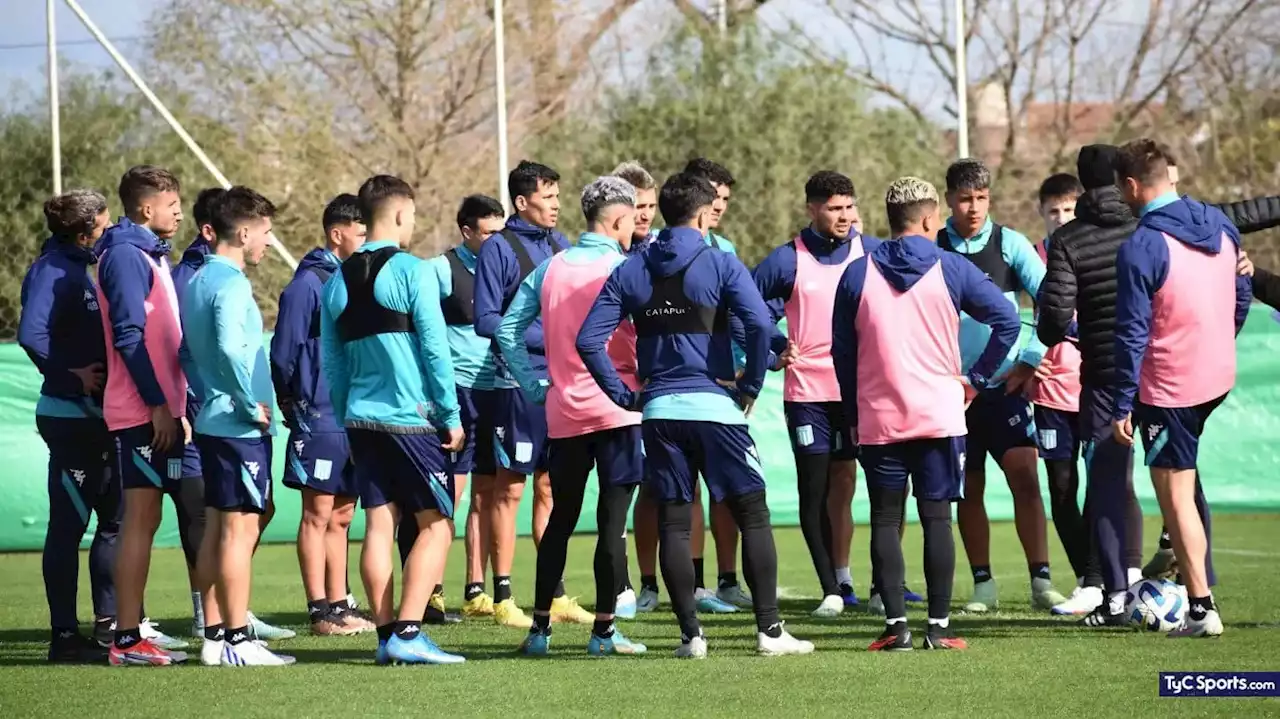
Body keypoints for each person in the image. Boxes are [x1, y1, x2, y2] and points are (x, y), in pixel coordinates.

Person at [577, 171, 813, 658]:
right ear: (705, 214)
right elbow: (757, 322)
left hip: (659, 413)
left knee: (675, 525)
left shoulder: (632, 269)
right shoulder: (721, 263)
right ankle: (769, 633)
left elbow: (587, 340)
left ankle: (691, 637)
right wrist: (750, 383)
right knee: (752, 514)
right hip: (717, 411)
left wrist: (624, 397)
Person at [833, 176, 1019, 651]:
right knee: (937, 520)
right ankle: (937, 628)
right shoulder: (952, 267)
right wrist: (977, 380)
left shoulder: (856, 273)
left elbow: (842, 354)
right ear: (932, 218)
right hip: (939, 416)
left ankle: (896, 629)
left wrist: (855, 411)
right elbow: (1009, 319)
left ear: (891, 221)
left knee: (883, 520)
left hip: (878, 419)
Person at [499, 176, 648, 656]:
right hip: (618, 411)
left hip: (564, 414)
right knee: (611, 524)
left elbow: (506, 331)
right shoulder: (626, 268)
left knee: (560, 519)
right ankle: (603, 634)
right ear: (619, 219)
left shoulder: (550, 268)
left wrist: (534, 384)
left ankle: (539, 631)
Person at [320, 174, 465, 665]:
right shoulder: (412, 270)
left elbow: (333, 364)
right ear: (401, 214)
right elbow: (435, 349)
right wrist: (450, 414)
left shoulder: (335, 280)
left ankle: (386, 639)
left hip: (361, 421)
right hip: (412, 420)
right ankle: (407, 631)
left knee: (380, 523)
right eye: (414, 215)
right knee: (438, 524)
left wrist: (346, 416)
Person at [1109, 138, 1250, 638]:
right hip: (1216, 377)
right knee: (1185, 485)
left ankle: (1200, 609)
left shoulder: (1141, 246)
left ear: (1131, 185)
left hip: (1171, 388)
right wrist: (1221, 339)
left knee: (1176, 498)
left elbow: (1130, 334)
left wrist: (1122, 401)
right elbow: (1243, 286)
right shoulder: (1220, 223)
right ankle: (1194, 590)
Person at [751, 171, 881, 617]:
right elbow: (746, 308)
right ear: (812, 209)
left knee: (860, 483)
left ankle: (862, 579)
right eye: (833, 208)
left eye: (849, 207)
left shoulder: (873, 253)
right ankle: (829, 589)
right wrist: (772, 349)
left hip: (860, 391)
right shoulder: (788, 260)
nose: (844, 216)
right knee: (815, 488)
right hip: (808, 393)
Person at [939, 158, 1066, 613]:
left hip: (1004, 389)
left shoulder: (1009, 243)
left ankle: (1041, 581)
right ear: (949, 199)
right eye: (965, 199)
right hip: (953, 394)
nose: (974, 208)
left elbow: (1054, 301)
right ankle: (983, 586)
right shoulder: (935, 248)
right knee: (967, 490)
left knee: (1025, 480)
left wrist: (1030, 359)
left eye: (981, 198)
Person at [473, 160, 593, 626]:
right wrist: (544, 337)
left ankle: (555, 593)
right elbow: (487, 318)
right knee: (511, 489)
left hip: (562, 384)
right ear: (522, 202)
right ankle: (503, 596)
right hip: (516, 383)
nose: (556, 205)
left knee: (551, 486)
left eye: (559, 196)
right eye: (547, 197)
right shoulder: (499, 248)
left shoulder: (563, 247)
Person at [174, 189, 295, 643]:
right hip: (239, 425)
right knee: (240, 530)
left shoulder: (197, 279)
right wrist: (244, 402)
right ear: (243, 233)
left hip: (214, 421)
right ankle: (237, 638)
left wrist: (211, 397)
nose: (268, 240)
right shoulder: (230, 282)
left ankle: (214, 633)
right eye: (265, 231)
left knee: (220, 527)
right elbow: (225, 347)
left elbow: (188, 352)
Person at [396, 195, 507, 624]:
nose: (497, 242)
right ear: (466, 231)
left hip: (496, 390)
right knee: (450, 496)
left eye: (502, 233)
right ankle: (432, 592)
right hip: (455, 395)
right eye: (488, 233)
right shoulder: (440, 270)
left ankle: (476, 589)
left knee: (489, 492)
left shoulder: (504, 269)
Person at [96, 166, 190, 666]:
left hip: (161, 408)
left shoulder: (148, 254)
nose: (179, 211)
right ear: (146, 207)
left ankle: (133, 633)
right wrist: (157, 403)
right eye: (172, 202)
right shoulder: (126, 256)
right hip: (140, 411)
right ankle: (126, 638)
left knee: (148, 518)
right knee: (139, 519)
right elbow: (129, 335)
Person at [19, 190, 117, 663]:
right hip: (70, 418)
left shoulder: (81, 270)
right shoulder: (53, 270)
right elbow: (30, 334)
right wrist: (69, 376)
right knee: (68, 525)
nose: (110, 229)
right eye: (105, 223)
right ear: (84, 233)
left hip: (99, 419)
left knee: (114, 520)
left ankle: (111, 625)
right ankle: (63, 637)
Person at [270, 193, 374, 636]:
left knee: (344, 515)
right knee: (317, 512)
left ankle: (340, 604)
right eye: (361, 234)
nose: (367, 242)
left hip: (354, 416)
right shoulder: (307, 285)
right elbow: (283, 354)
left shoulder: (353, 280)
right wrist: (295, 402)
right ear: (338, 234)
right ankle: (318, 611)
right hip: (320, 416)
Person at [1026, 173, 1100, 616]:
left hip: (1094, 390)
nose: (1061, 218)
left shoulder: (1094, 251)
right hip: (1050, 394)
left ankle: (1107, 576)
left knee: (1103, 488)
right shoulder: (1034, 258)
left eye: (1069, 210)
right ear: (1042, 213)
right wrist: (1025, 354)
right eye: (1053, 211)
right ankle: (1086, 579)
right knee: (1061, 489)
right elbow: (1009, 313)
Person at [679, 157, 750, 612]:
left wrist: (749, 368)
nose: (718, 205)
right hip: (678, 389)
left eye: (725, 198)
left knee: (728, 489)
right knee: (679, 493)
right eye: (713, 197)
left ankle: (727, 580)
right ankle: (685, 584)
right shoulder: (666, 250)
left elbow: (745, 317)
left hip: (722, 389)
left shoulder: (725, 250)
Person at [610, 161, 657, 616]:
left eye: (650, 206)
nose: (644, 216)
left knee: (657, 488)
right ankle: (623, 583)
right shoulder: (607, 258)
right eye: (636, 207)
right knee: (620, 487)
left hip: (660, 388)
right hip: (619, 392)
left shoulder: (664, 253)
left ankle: (655, 583)